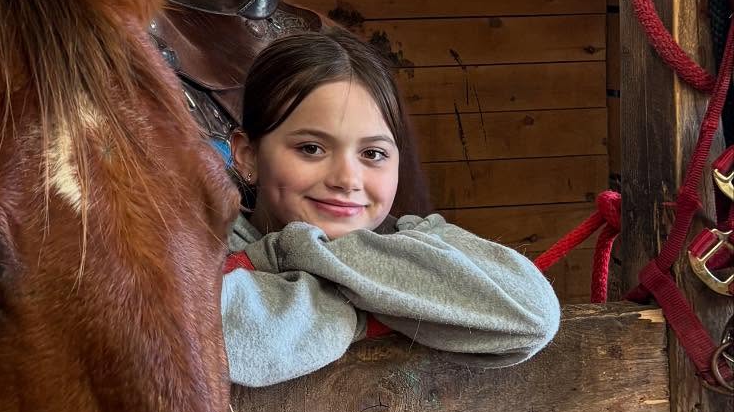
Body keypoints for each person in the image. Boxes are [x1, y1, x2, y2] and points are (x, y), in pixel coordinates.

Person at [221, 29, 560, 388]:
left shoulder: (413, 237)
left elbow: (531, 315)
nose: (347, 179)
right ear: (248, 155)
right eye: (311, 148)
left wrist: (317, 263)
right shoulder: (200, 252)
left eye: (373, 154)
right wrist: (375, 302)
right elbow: (235, 340)